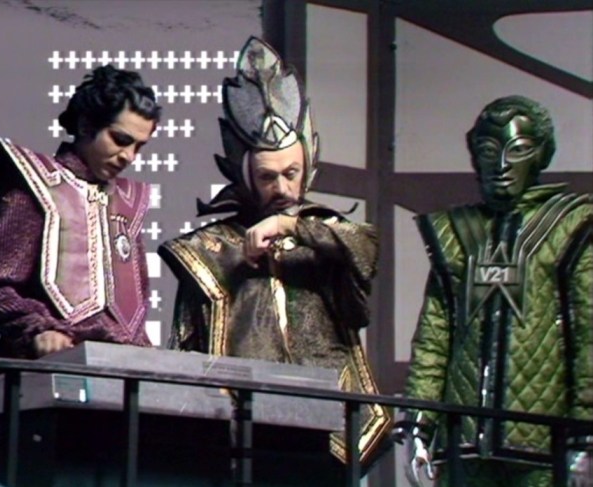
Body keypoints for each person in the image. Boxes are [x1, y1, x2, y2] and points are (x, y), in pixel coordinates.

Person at [158, 36, 390, 468]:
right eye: (268, 177)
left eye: (291, 173)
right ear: (244, 174)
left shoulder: (328, 234)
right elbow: (185, 348)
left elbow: (367, 247)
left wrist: (289, 225)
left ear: (308, 163)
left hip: (330, 430)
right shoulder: (208, 250)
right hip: (242, 433)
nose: (282, 188)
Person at [394, 95, 593, 486]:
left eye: (518, 150)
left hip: (542, 444)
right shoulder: (455, 234)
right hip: (464, 443)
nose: (501, 165)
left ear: (540, 155)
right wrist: (419, 425)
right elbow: (434, 339)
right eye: (488, 150)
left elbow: (589, 337)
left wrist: (585, 435)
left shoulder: (571, 227)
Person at [0, 65, 162, 360]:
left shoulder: (126, 205)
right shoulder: (40, 186)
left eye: (139, 146)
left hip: (117, 369)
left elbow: (133, 310)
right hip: (46, 365)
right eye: (120, 139)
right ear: (85, 126)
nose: (129, 156)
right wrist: (37, 330)